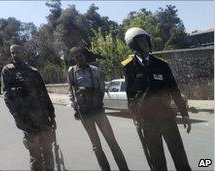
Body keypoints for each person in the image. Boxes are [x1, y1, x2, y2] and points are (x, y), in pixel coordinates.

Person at [121, 27, 192, 171]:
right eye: (141, 41)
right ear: (133, 45)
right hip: (147, 121)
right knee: (157, 162)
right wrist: (136, 117)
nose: (145, 43)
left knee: (180, 158)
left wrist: (184, 114)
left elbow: (174, 90)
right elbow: (131, 95)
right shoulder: (128, 67)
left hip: (167, 117)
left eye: (146, 40)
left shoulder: (161, 64)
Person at [67, 46, 129, 171]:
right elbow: (70, 91)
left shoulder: (96, 71)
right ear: (74, 58)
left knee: (112, 142)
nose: (79, 58)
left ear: (84, 55)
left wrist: (94, 99)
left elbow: (102, 90)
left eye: (81, 55)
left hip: (98, 111)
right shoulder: (71, 71)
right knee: (96, 145)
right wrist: (75, 107)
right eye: (76, 56)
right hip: (84, 113)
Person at [2, 44, 56, 171]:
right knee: (35, 156)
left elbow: (44, 94)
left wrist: (52, 115)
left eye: (17, 52)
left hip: (43, 118)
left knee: (48, 153)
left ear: (23, 53)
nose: (15, 55)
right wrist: (16, 117)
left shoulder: (33, 71)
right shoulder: (8, 71)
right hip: (27, 121)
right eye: (12, 53)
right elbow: (7, 98)